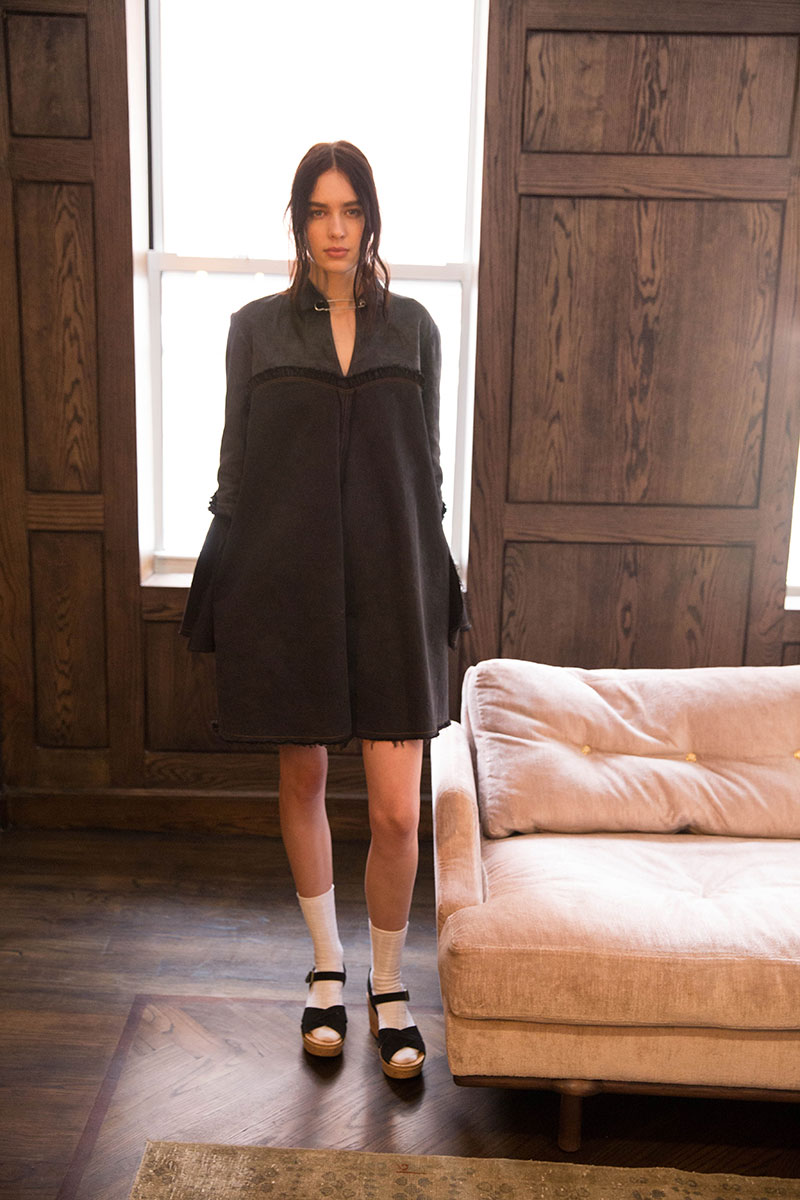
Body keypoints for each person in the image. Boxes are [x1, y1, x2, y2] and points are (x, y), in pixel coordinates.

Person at [181, 141, 468, 1080]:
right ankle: (327, 968)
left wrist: (435, 584)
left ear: (370, 217)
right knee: (302, 779)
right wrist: (222, 581)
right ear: (298, 219)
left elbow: (425, 477)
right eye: (318, 210)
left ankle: (389, 981)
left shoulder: (415, 328)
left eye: (350, 210)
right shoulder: (255, 330)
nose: (335, 229)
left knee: (396, 812)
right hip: (287, 583)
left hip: (392, 582)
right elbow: (236, 471)